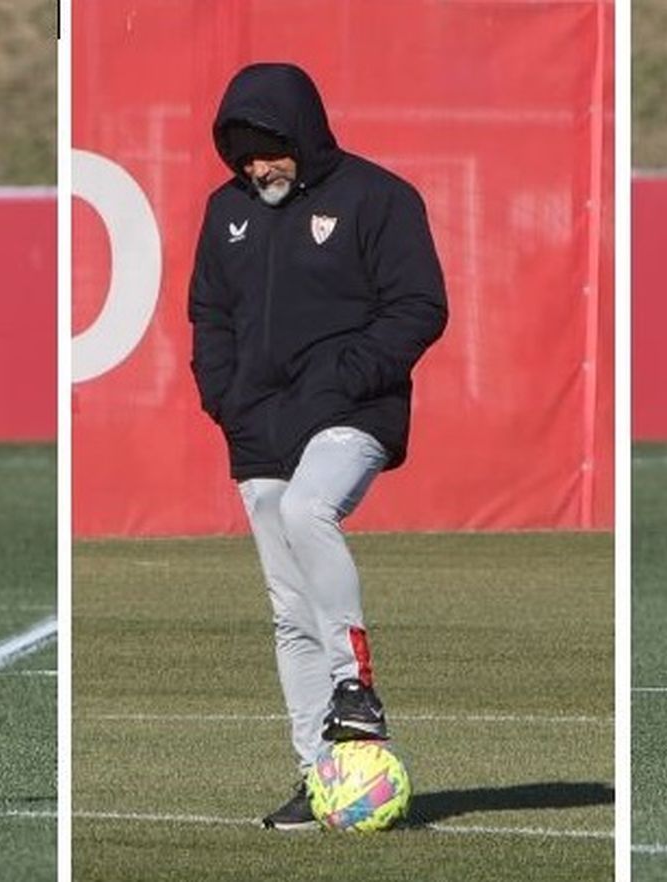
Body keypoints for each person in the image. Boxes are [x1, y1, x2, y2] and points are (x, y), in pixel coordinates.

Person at [188, 62, 448, 829]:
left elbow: (420, 306)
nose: (256, 167)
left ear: (302, 136)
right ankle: (319, 774)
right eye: (241, 155)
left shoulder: (378, 198)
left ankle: (355, 686)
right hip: (257, 428)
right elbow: (209, 316)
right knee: (289, 611)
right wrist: (225, 398)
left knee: (309, 509)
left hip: (351, 414)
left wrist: (344, 377)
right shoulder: (224, 212)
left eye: (268, 149)